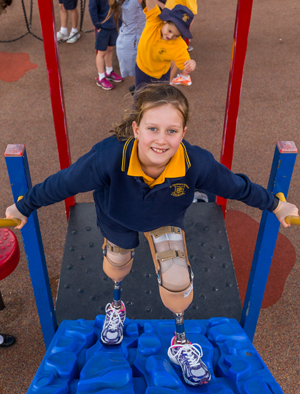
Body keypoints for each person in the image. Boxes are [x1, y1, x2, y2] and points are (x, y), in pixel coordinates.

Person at [5, 83, 298, 387]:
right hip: (117, 215)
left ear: (184, 132)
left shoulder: (196, 163)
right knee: (117, 263)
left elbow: (237, 187)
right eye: (152, 128)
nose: (161, 140)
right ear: (136, 128)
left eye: (172, 131)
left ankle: (180, 342)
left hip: (164, 217)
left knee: (177, 277)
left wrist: (276, 205)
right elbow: (63, 183)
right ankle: (116, 307)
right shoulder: (108, 158)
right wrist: (24, 207)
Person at [134, 0, 196, 92]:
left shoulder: (178, 44)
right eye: (169, 31)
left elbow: (186, 62)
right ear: (165, 22)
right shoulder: (154, 20)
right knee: (139, 99)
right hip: (142, 68)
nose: (170, 37)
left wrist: (191, 63)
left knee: (160, 101)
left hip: (160, 75)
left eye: (175, 35)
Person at [156, 0, 198, 85]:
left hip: (176, 27)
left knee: (174, 55)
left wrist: (183, 31)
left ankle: (169, 82)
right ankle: (168, 78)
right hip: (166, 23)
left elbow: (192, 13)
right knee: (163, 51)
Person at [89, 0, 123, 90]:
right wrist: (97, 25)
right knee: (101, 52)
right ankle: (101, 76)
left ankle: (109, 71)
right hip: (103, 26)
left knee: (110, 49)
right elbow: (92, 8)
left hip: (114, 24)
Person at [107, 0, 146, 79]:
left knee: (143, 78)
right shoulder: (130, 3)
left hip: (134, 41)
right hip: (131, 45)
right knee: (140, 78)